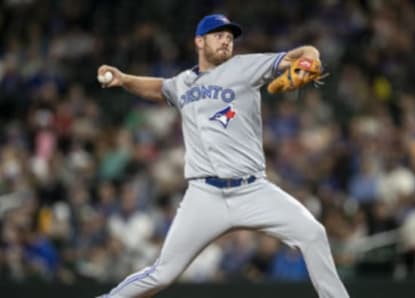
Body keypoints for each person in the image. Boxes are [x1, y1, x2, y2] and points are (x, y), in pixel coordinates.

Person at [97, 14, 349, 298]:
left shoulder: (244, 67)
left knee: (313, 233)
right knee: (162, 273)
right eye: (218, 35)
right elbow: (159, 88)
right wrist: (124, 79)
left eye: (230, 36)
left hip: (252, 189)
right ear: (199, 41)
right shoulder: (183, 83)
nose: (226, 39)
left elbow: (303, 53)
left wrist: (309, 59)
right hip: (204, 195)